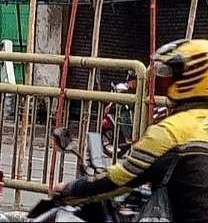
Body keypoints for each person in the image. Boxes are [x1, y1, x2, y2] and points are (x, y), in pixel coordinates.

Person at [55, 39, 208, 222]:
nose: (163, 84)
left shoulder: (172, 132)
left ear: (190, 79)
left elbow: (120, 178)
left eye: (169, 77)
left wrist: (70, 190)